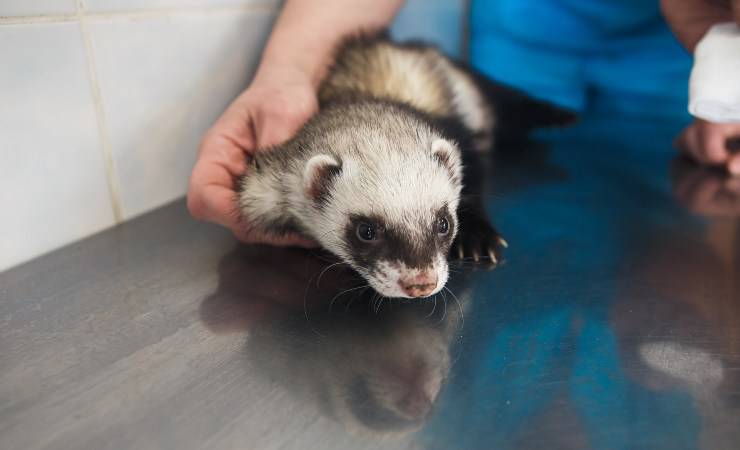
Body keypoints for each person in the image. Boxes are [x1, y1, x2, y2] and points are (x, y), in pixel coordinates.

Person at [187, 0, 740, 245]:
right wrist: (285, 73)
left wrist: (727, 105)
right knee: (503, 120)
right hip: (529, 29)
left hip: (678, 52)